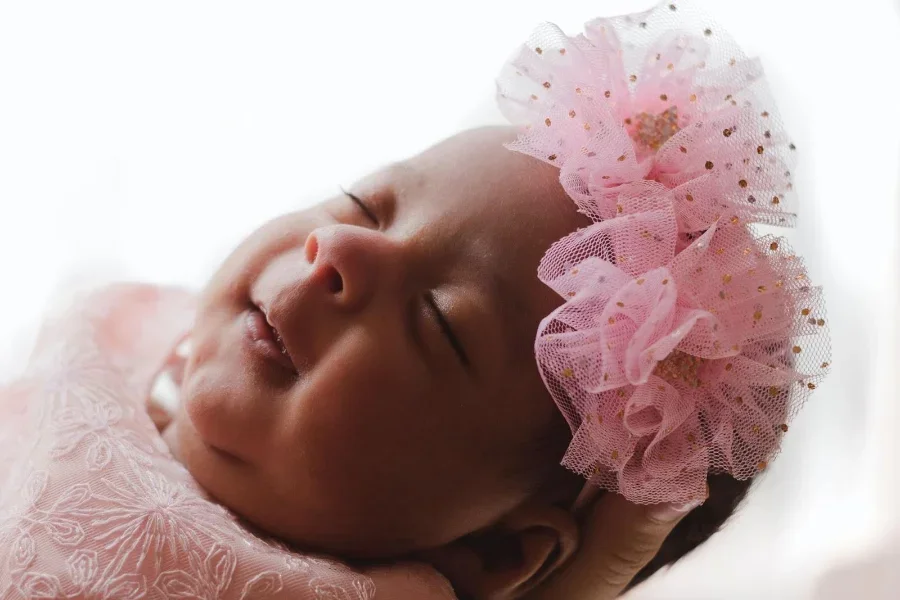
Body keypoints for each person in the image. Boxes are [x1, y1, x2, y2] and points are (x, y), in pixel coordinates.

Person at [0, 1, 828, 598]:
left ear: (501, 557)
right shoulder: (107, 349)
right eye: (363, 205)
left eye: (439, 321)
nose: (341, 250)